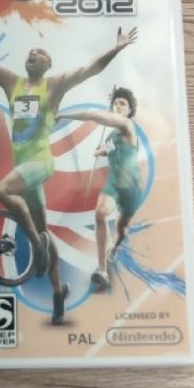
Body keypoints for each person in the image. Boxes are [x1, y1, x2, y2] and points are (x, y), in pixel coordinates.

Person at [0, 18, 137, 324]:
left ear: (48, 64)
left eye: (39, 53)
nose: (32, 53)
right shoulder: (10, 81)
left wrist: (116, 49)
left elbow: (89, 69)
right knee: (44, 232)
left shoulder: (53, 85)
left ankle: (37, 244)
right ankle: (58, 290)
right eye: (30, 52)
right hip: (24, 170)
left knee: (3, 192)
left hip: (40, 162)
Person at [57, 87, 142, 291]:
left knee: (122, 230)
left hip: (131, 186)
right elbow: (109, 148)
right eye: (116, 103)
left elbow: (92, 115)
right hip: (113, 183)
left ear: (129, 110)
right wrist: (100, 151)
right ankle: (102, 272)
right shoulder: (111, 135)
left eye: (122, 103)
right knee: (100, 213)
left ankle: (116, 244)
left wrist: (63, 115)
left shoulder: (128, 125)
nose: (118, 106)